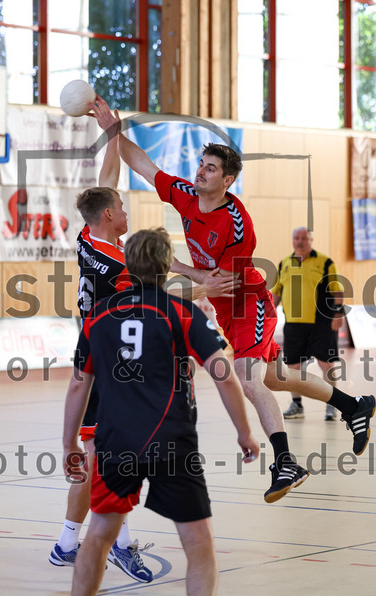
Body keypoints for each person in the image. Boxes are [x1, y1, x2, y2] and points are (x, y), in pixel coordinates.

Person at [90, 98, 376, 504]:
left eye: (210, 168)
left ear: (227, 180)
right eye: (201, 164)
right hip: (226, 307)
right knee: (275, 379)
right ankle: (353, 405)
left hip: (249, 302)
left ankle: (285, 462)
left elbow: (218, 283)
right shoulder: (185, 194)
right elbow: (144, 166)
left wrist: (176, 266)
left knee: (247, 376)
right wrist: (113, 131)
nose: (200, 171)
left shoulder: (237, 224)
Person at [50, 105, 238, 581]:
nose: (126, 209)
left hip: (103, 349)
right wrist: (206, 287)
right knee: (108, 456)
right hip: (107, 358)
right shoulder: (115, 265)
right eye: (121, 206)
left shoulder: (93, 237)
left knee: (104, 456)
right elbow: (155, 301)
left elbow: (107, 179)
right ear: (110, 215)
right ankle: (111, 543)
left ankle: (71, 542)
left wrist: (112, 132)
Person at [62, 227, 260, 596]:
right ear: (167, 265)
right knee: (198, 543)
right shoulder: (180, 312)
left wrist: (68, 443)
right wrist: (244, 432)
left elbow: (78, 384)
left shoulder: (98, 316)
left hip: (114, 441)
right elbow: (223, 374)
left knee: (99, 534)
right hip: (171, 441)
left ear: (128, 263)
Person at [270, 227, 344, 421]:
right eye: (297, 238)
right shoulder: (284, 263)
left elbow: (337, 290)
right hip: (294, 324)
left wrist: (338, 313)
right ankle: (297, 405)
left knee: (326, 364)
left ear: (311, 240)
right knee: (293, 368)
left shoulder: (325, 262)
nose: (300, 241)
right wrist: (266, 315)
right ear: (292, 240)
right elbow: (276, 292)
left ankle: (332, 405)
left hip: (322, 323)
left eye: (304, 238)